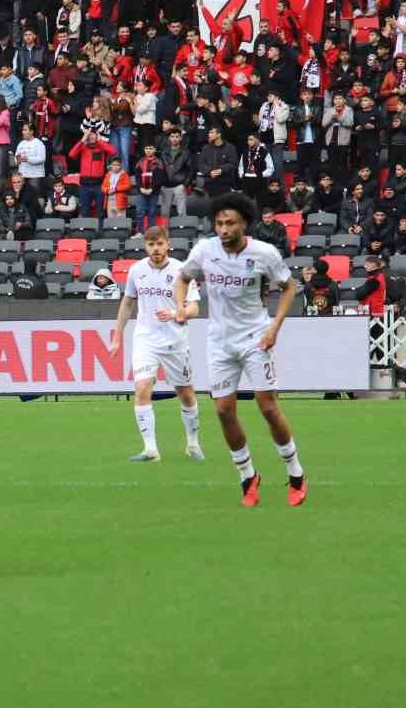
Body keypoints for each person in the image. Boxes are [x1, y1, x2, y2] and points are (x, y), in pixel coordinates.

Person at [173, 193, 307, 508]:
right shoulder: (204, 250)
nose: (223, 229)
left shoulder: (264, 253)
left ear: (244, 223)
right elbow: (182, 278)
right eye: (219, 223)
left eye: (230, 223)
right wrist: (180, 305)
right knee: (223, 410)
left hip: (255, 337)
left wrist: (274, 328)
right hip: (219, 341)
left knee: (267, 407)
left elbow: (289, 286)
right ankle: (248, 476)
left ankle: (295, 472)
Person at [108, 227, 204, 463]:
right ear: (145, 246)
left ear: (167, 244)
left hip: (175, 341)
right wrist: (117, 336)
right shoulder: (136, 270)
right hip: (146, 339)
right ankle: (150, 450)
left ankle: (192, 443)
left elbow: (194, 308)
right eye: (151, 245)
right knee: (142, 387)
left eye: (159, 244)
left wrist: (174, 313)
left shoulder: (182, 271)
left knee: (186, 394)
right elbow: (127, 304)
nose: (156, 249)